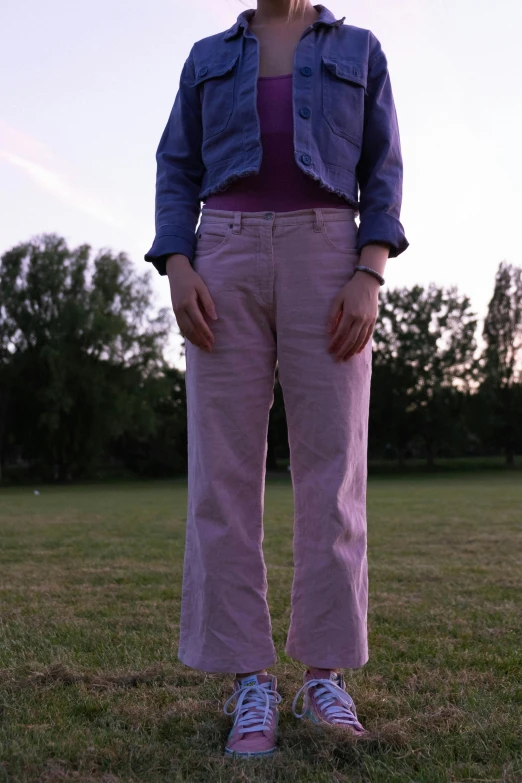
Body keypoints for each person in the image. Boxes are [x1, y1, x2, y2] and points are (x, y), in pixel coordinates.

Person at [144, 0, 409, 759]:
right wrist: (179, 262)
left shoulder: (359, 49)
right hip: (219, 254)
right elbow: (176, 166)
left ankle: (323, 676)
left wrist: (369, 271)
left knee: (333, 472)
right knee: (222, 476)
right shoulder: (205, 56)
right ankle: (248, 679)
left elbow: (382, 169)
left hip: (330, 254)